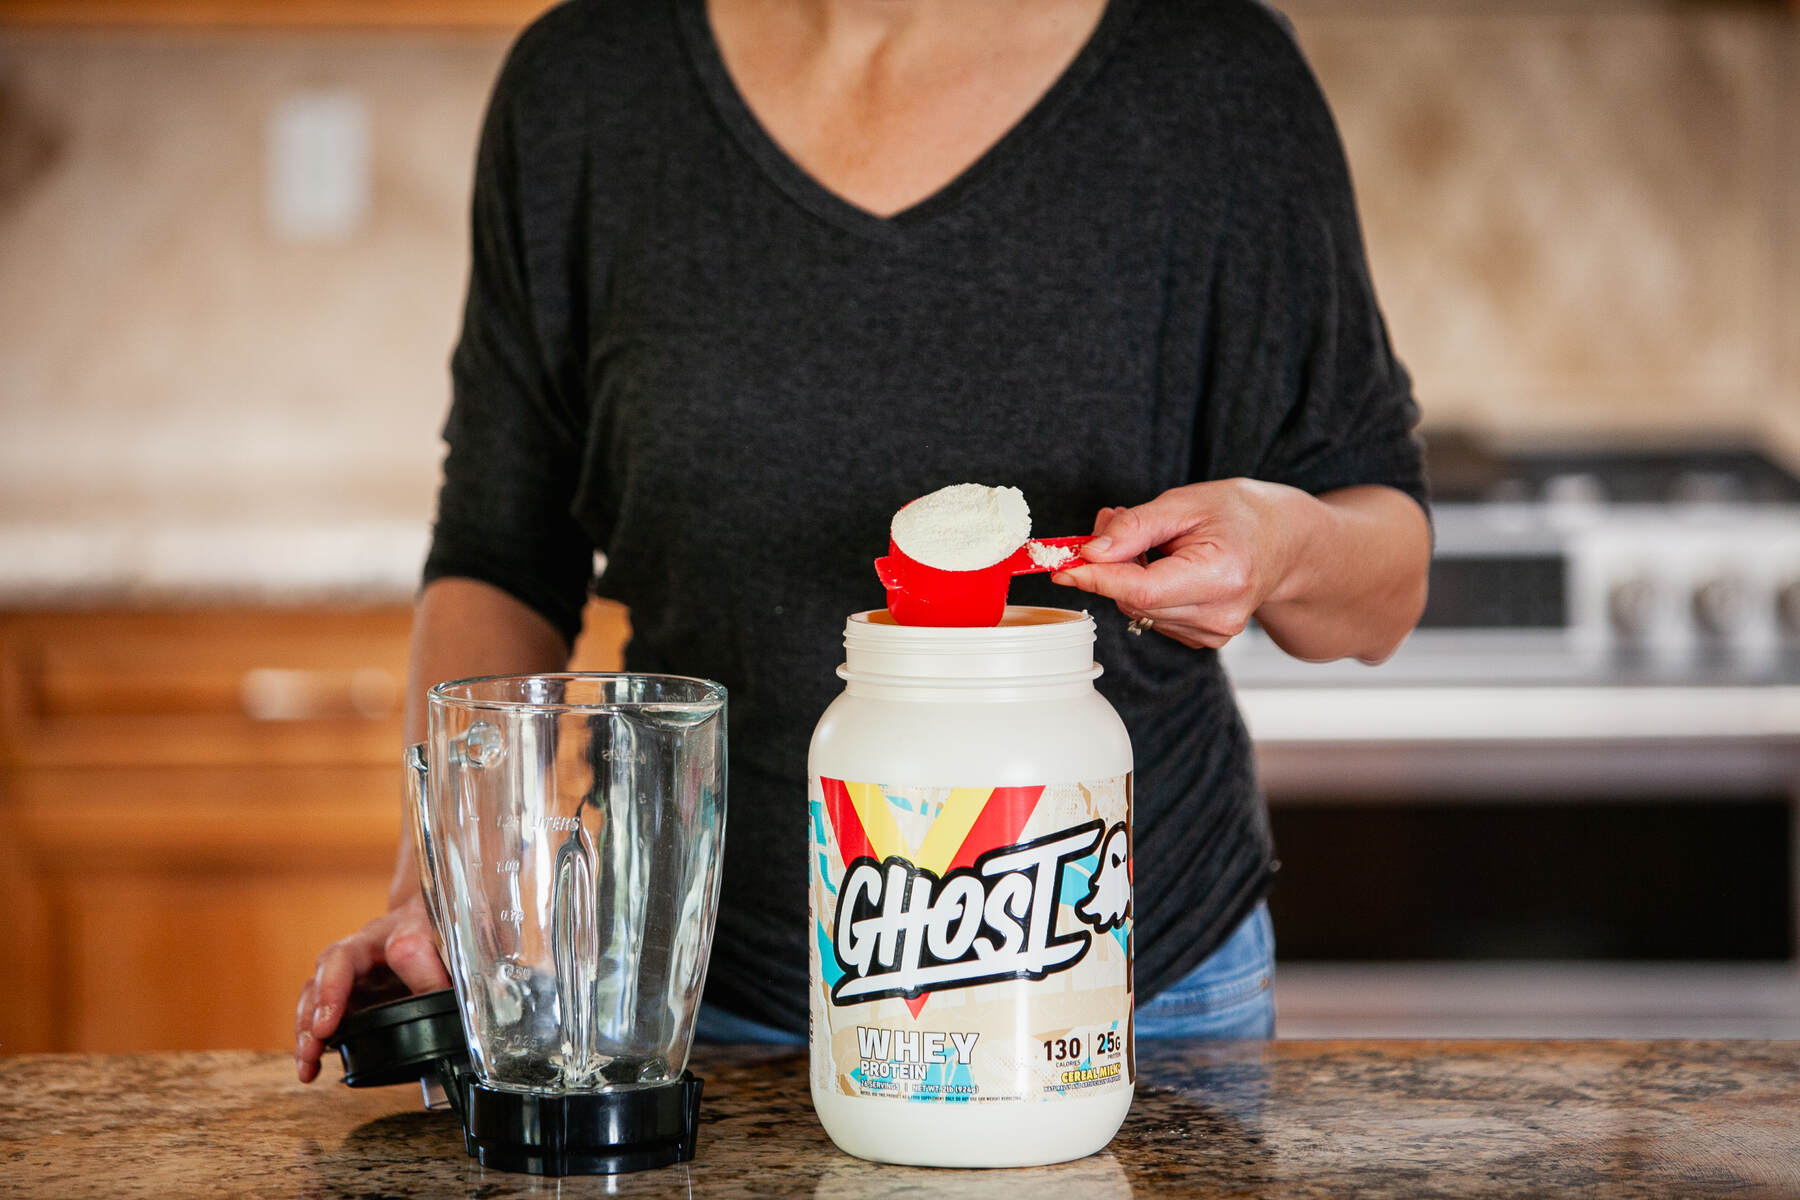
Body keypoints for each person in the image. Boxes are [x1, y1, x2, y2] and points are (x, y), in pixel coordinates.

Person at [294, 0, 1430, 1082]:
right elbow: (499, 552)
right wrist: (436, 894)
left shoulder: (1216, 76)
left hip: (1125, 994)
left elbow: (1384, 584)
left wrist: (1278, 540)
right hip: (696, 1000)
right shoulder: (586, 87)